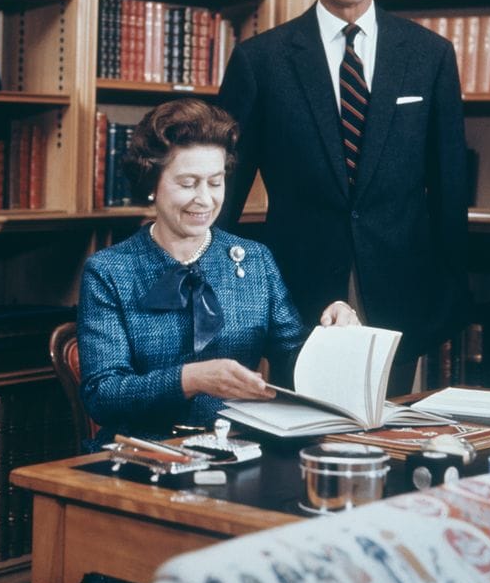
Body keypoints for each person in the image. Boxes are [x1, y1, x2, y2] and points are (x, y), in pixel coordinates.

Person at [218, 0, 469, 388]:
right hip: (296, 291)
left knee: (390, 439)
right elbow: (223, 187)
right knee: (299, 441)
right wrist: (228, 297)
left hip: (400, 289)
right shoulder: (260, 61)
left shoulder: (430, 55)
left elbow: (449, 188)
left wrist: (448, 297)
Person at [77, 97, 358, 443]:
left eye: (215, 181)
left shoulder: (254, 260)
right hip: (143, 453)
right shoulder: (109, 271)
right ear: (151, 183)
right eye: (188, 183)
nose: (206, 200)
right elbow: (103, 395)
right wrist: (190, 379)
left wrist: (334, 335)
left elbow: (294, 359)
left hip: (239, 448)